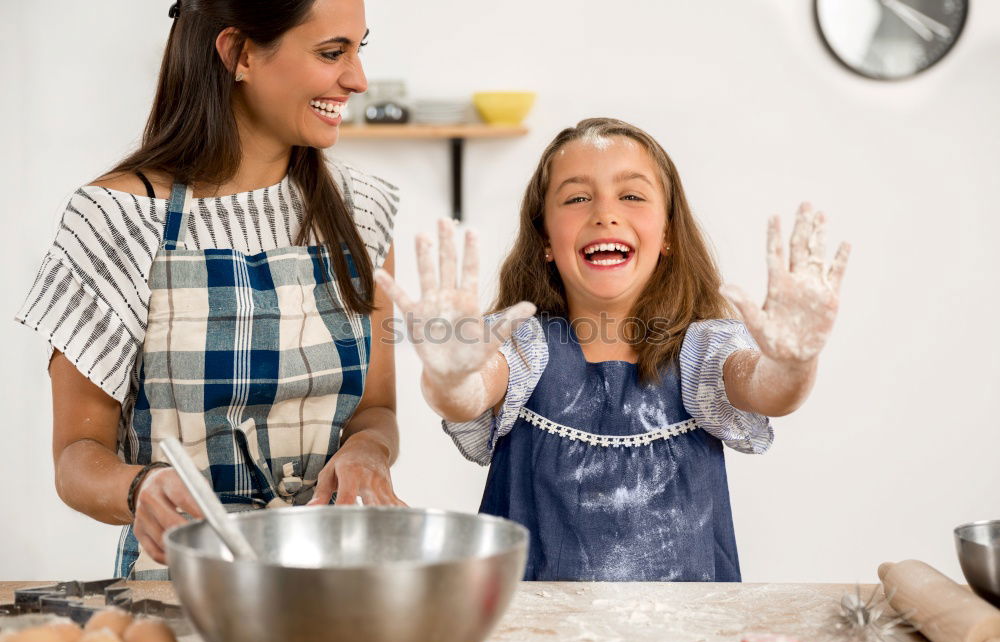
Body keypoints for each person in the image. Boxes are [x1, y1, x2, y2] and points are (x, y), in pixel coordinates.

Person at [14, 0, 404, 580]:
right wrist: (140, 486)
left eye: (358, 49)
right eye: (331, 52)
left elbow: (375, 411)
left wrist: (368, 452)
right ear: (239, 53)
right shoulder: (115, 219)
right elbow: (76, 458)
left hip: (338, 579)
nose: (357, 79)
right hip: (180, 588)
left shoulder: (361, 212)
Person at [375, 117, 850, 582]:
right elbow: (467, 394)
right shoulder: (520, 340)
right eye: (577, 197)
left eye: (632, 195)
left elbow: (768, 391)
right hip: (535, 636)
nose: (605, 212)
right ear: (545, 239)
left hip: (682, 638)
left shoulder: (706, 347)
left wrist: (793, 361)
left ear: (667, 234)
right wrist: (451, 375)